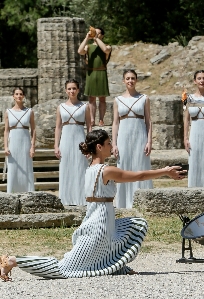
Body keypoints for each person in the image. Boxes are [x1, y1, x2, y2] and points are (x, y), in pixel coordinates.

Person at [0, 129, 185, 281]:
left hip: (99, 220)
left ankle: (115, 266)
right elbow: (139, 176)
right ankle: (12, 261)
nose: (111, 146)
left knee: (133, 226)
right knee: (63, 269)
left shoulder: (90, 170)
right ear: (99, 146)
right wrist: (165, 171)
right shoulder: (106, 170)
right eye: (108, 143)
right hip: (99, 225)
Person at [112, 70, 152, 208]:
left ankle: (143, 200)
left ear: (136, 80)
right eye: (127, 78)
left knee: (140, 165)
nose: (130, 81)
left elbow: (148, 121)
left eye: (133, 78)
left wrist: (149, 141)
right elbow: (115, 123)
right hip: (123, 137)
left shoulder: (144, 98)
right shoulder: (117, 100)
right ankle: (123, 202)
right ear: (123, 81)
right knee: (124, 166)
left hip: (140, 136)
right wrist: (114, 144)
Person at [55, 79, 92, 205]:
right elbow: (58, 127)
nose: (72, 91)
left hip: (80, 140)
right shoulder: (61, 107)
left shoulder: (84, 107)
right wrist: (56, 145)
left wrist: (89, 145)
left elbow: (89, 127)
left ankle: (81, 198)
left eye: (74, 88)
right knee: (66, 168)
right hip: (65, 141)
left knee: (81, 168)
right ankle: (66, 199)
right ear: (66, 90)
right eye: (69, 88)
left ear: (78, 90)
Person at [77, 27, 112, 127]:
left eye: (98, 33)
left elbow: (105, 50)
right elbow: (80, 51)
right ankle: (92, 119)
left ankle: (101, 119)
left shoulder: (108, 46)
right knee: (91, 98)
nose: (95, 34)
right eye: (94, 33)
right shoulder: (88, 47)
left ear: (102, 35)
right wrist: (87, 38)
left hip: (101, 72)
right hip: (91, 73)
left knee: (102, 98)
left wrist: (96, 39)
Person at [3, 87, 35, 193]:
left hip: (25, 142)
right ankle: (12, 192)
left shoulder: (29, 111)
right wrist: (6, 146)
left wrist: (32, 147)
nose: (19, 96)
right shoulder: (8, 112)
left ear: (24, 96)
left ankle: (28, 192)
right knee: (13, 168)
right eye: (16, 94)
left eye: (21, 94)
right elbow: (6, 131)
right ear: (13, 96)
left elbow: (33, 130)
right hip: (13, 143)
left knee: (27, 167)